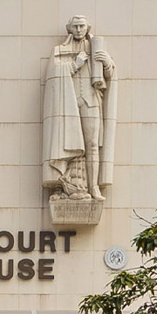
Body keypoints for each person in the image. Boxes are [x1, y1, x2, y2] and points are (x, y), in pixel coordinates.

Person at [42, 15, 116, 202]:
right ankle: (66, 185)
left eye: (82, 26)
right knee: (70, 144)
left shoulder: (95, 47)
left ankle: (93, 187)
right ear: (70, 29)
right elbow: (53, 74)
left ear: (87, 28)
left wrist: (106, 62)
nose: (78, 30)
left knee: (92, 145)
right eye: (75, 26)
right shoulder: (60, 50)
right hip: (69, 103)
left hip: (90, 101)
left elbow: (108, 75)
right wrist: (74, 65)